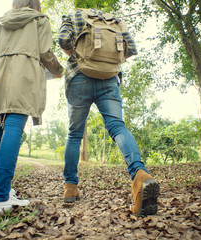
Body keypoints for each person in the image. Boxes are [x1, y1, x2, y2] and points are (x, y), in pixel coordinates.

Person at [58, 8, 159, 216]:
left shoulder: (75, 14)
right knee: (117, 127)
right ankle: (139, 173)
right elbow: (130, 49)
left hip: (78, 76)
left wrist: (81, 57)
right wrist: (106, 63)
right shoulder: (115, 20)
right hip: (109, 80)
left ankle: (70, 186)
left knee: (75, 134)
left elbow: (62, 40)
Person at [0, 0, 63, 214]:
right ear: (35, 5)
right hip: (24, 76)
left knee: (2, 128)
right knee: (14, 128)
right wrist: (58, 69)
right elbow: (46, 52)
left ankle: (2, 189)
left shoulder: (1, 20)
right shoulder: (39, 19)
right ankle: (0, 198)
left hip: (0, 75)